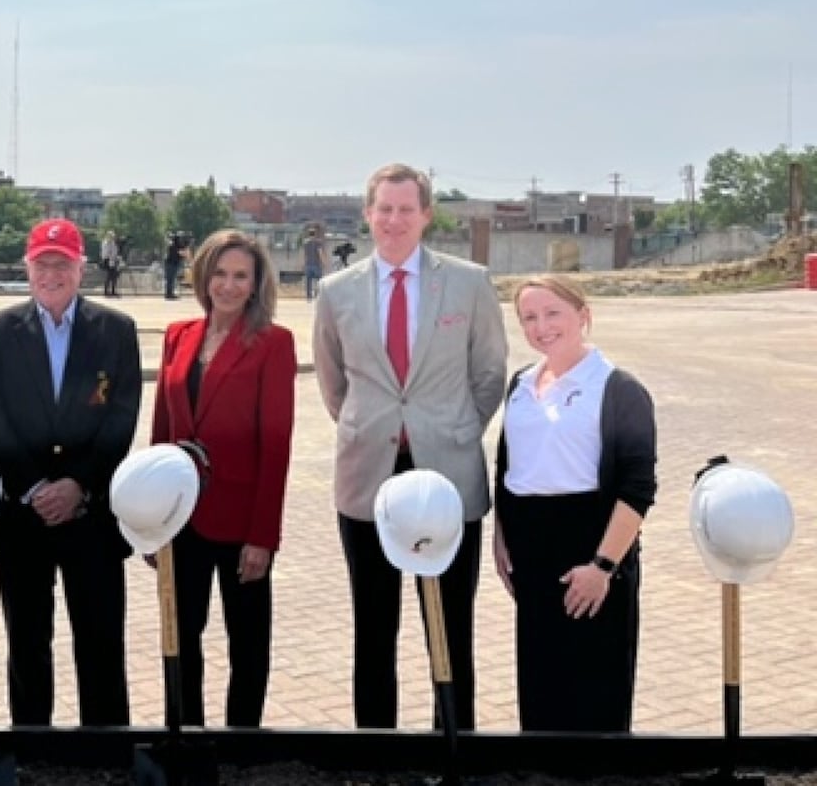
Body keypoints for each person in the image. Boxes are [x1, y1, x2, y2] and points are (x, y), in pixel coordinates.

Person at [312, 162, 507, 731]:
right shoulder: (336, 291)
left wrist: (453, 426)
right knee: (373, 626)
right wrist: (368, 424)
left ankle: (453, 744)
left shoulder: (469, 283)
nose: (394, 220)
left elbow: (489, 371)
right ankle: (378, 750)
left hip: (447, 473)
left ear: (426, 215)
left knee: (449, 623)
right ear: (368, 215)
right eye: (384, 209)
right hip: (367, 474)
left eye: (406, 209)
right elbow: (333, 382)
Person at [0, 217, 143, 726]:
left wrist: (80, 485)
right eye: (41, 264)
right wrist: (34, 487)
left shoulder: (116, 331)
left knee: (101, 640)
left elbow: (121, 416)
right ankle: (31, 745)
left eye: (62, 264)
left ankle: (104, 747)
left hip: (90, 515)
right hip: (24, 514)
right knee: (27, 643)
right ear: (28, 269)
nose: (51, 274)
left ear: (81, 268)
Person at [493, 275, 656, 733]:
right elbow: (509, 467)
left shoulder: (620, 390)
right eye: (529, 317)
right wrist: (501, 540)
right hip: (531, 554)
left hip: (593, 547)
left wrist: (603, 566)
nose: (541, 326)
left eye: (553, 313)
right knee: (541, 688)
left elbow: (637, 489)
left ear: (583, 316)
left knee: (595, 690)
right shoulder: (520, 385)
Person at [150, 229, 297, 727]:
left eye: (241, 276)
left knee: (248, 643)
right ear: (203, 275)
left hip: (241, 522)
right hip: (180, 519)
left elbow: (276, 446)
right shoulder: (178, 334)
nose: (229, 286)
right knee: (180, 636)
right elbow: (163, 432)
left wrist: (263, 537)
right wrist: (152, 517)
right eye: (220, 273)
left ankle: (242, 745)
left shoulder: (274, 343)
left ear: (256, 285)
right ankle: (184, 735)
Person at [302, 226, 326, 302]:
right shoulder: (318, 242)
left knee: (308, 282)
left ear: (309, 234)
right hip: (316, 265)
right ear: (315, 234)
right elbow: (320, 253)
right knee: (319, 281)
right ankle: (317, 296)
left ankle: (309, 298)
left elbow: (304, 255)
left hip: (308, 264)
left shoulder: (305, 243)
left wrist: (303, 264)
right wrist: (324, 262)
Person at [163, 231, 188, 300]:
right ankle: (169, 294)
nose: (181, 239)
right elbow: (182, 253)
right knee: (170, 279)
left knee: (172, 279)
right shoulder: (173, 245)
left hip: (174, 264)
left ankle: (170, 293)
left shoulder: (178, 245)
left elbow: (184, 254)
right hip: (170, 264)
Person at [100, 230, 122, 298]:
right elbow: (106, 253)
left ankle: (113, 291)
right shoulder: (106, 243)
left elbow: (115, 251)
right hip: (108, 260)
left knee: (114, 276)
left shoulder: (112, 243)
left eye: (113, 236)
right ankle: (106, 291)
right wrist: (111, 257)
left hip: (113, 260)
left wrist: (116, 258)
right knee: (109, 276)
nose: (112, 237)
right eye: (111, 236)